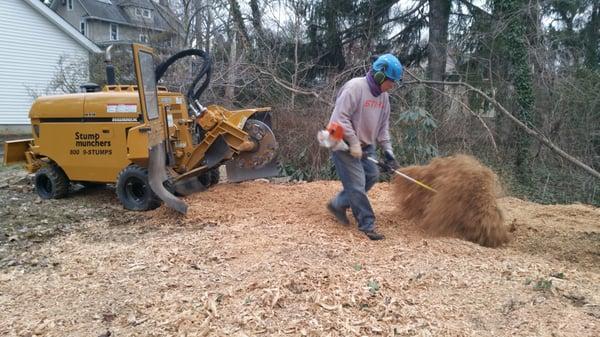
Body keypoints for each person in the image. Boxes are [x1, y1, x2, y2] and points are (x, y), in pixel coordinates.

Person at [326, 54, 402, 240]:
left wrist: (389, 153)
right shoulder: (355, 88)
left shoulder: (384, 98)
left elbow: (383, 127)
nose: (392, 86)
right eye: (391, 81)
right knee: (357, 182)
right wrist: (352, 142)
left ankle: (338, 203)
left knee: (372, 175)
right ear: (379, 76)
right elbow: (339, 118)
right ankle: (366, 224)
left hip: (365, 144)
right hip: (340, 140)